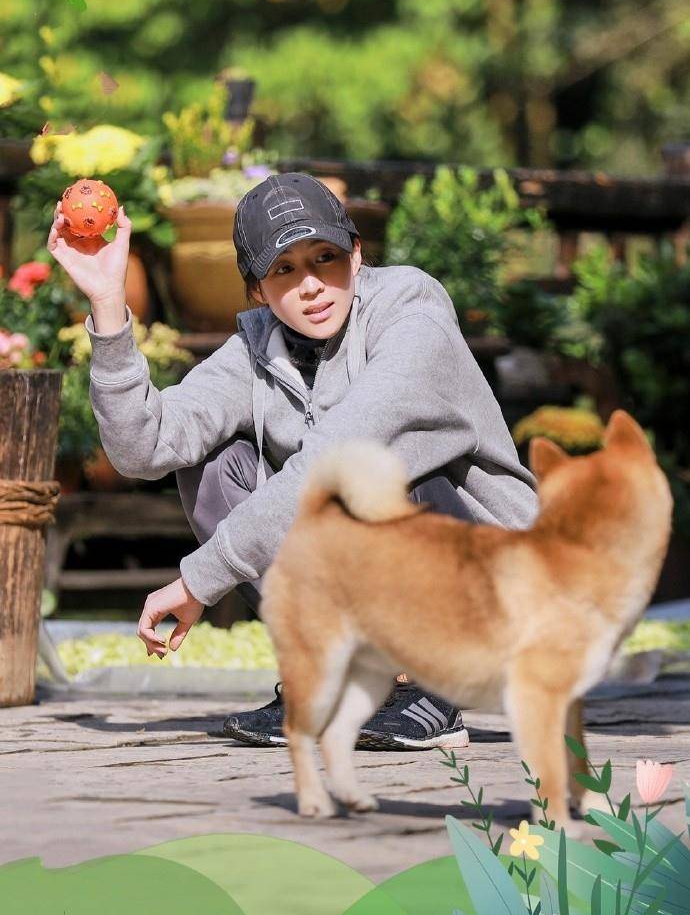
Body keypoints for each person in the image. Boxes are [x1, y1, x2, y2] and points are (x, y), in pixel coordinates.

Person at [47, 172, 539, 750]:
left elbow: (340, 455)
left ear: (357, 255)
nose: (310, 285)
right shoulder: (257, 349)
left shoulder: (412, 316)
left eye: (325, 258)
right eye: (284, 269)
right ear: (257, 289)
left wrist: (201, 578)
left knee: (389, 464)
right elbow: (144, 448)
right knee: (212, 466)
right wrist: (109, 306)